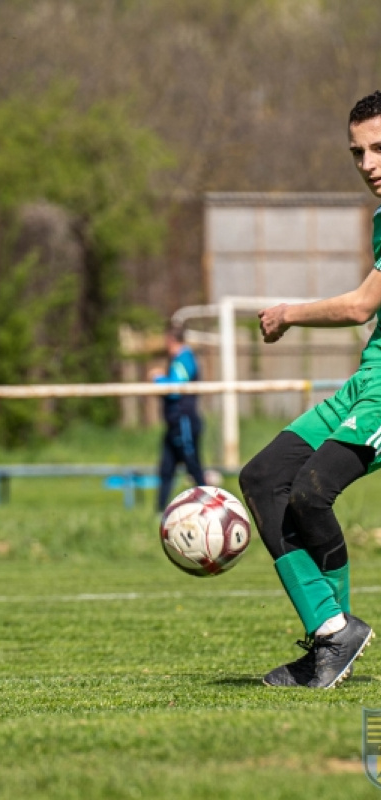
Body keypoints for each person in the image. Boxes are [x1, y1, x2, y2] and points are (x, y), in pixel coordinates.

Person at [238, 91, 381, 689]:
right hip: (365, 385)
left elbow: (360, 307)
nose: (368, 164)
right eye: (357, 153)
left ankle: (335, 638)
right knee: (264, 478)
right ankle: (331, 634)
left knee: (311, 492)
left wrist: (290, 313)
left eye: (379, 149)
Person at [149, 323, 206, 512]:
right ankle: (160, 512)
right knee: (166, 468)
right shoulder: (178, 360)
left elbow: (175, 389)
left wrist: (158, 378)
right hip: (173, 423)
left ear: (170, 340)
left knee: (193, 466)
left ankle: (210, 504)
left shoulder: (183, 359)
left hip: (184, 422)